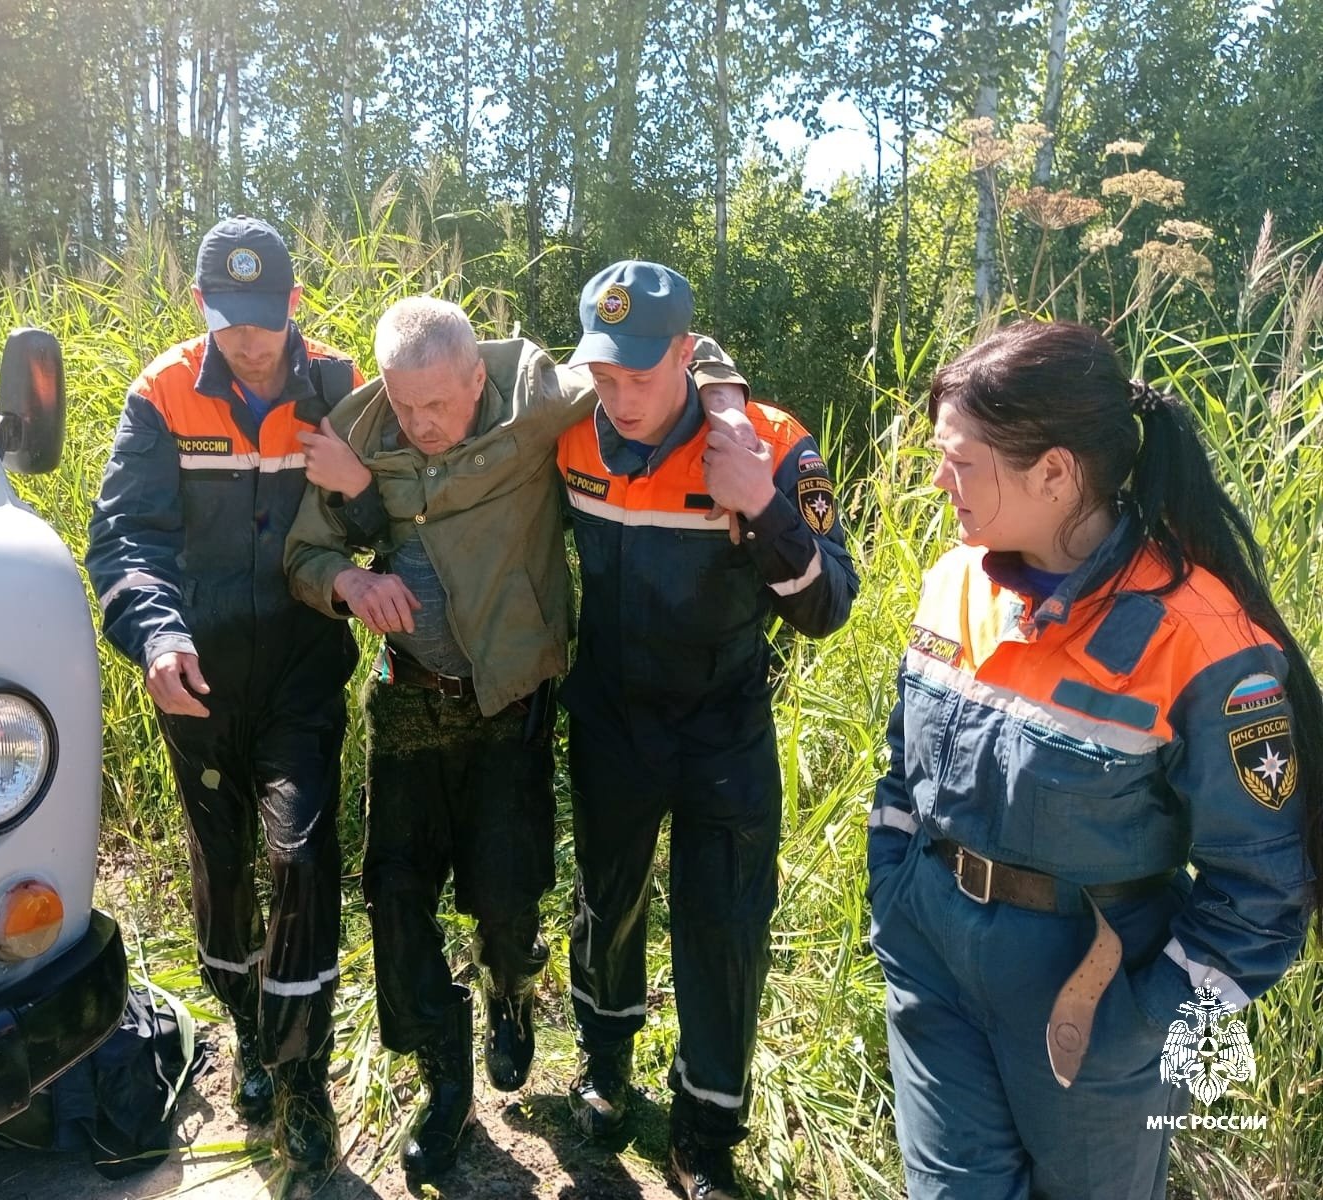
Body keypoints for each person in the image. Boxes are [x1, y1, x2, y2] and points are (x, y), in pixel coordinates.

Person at [285, 296, 748, 1181]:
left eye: (438, 405)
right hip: (408, 697)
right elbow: (303, 557)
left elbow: (675, 349)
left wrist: (722, 404)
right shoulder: (359, 428)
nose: (419, 425)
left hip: (510, 700)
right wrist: (346, 581)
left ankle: (511, 988)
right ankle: (444, 1077)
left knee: (506, 894)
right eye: (404, 403)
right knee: (393, 894)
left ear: (475, 375)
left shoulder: (541, 396)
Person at [865, 320, 1323, 1198]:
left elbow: (1265, 895)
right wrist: (895, 895)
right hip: (933, 966)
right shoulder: (954, 578)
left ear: (1056, 471)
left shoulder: (1201, 639)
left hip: (1098, 1004)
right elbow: (902, 769)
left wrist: (1144, 1030)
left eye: (960, 461)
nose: (938, 481)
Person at [557, 261, 858, 1200]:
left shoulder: (771, 443)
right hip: (610, 716)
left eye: (641, 376)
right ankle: (605, 1070)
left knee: (723, 927)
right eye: (604, 374)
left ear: (687, 353)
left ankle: (704, 1133)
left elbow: (830, 605)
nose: (621, 397)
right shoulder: (567, 431)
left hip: (723, 727)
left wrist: (763, 508)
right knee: (607, 901)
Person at [85, 215, 363, 1175]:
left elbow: (385, 512)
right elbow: (124, 539)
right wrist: (156, 636)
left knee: (303, 853)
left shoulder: (336, 383)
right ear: (203, 308)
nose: (249, 341)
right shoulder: (162, 393)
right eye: (229, 318)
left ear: (293, 305)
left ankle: (305, 1072)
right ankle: (250, 1029)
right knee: (225, 863)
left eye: (265, 318)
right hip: (195, 676)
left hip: (299, 672)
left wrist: (357, 483)